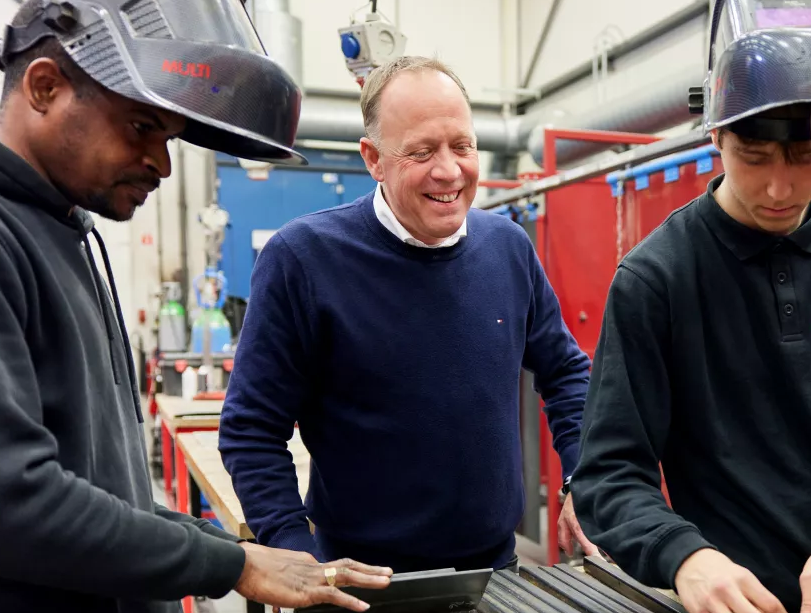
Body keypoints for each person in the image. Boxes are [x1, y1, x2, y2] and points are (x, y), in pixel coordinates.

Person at [0, 0, 392, 613]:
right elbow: (7, 499)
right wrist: (226, 560)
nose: (163, 163)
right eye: (143, 128)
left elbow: (90, 475)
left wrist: (210, 546)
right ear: (45, 85)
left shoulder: (55, 226)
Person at [571, 0, 811, 613]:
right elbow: (609, 474)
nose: (778, 187)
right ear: (714, 133)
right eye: (754, 156)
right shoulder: (656, 279)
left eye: (804, 157)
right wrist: (685, 557)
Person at [219, 55, 595, 574]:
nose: (449, 170)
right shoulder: (303, 259)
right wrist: (292, 549)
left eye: (462, 146)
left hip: (496, 569)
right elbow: (251, 428)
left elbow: (568, 371)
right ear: (373, 159)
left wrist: (584, 476)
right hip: (360, 579)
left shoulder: (507, 247)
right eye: (421, 152)